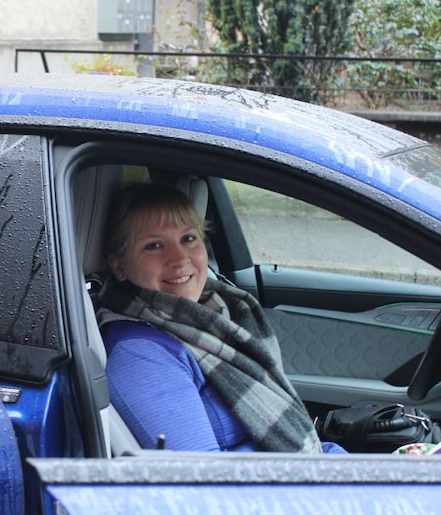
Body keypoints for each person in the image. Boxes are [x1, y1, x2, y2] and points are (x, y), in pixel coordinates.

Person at [95, 182, 344, 453]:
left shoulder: (210, 316)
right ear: (119, 266)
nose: (179, 259)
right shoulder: (140, 353)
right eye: (154, 245)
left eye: (188, 238)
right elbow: (204, 481)